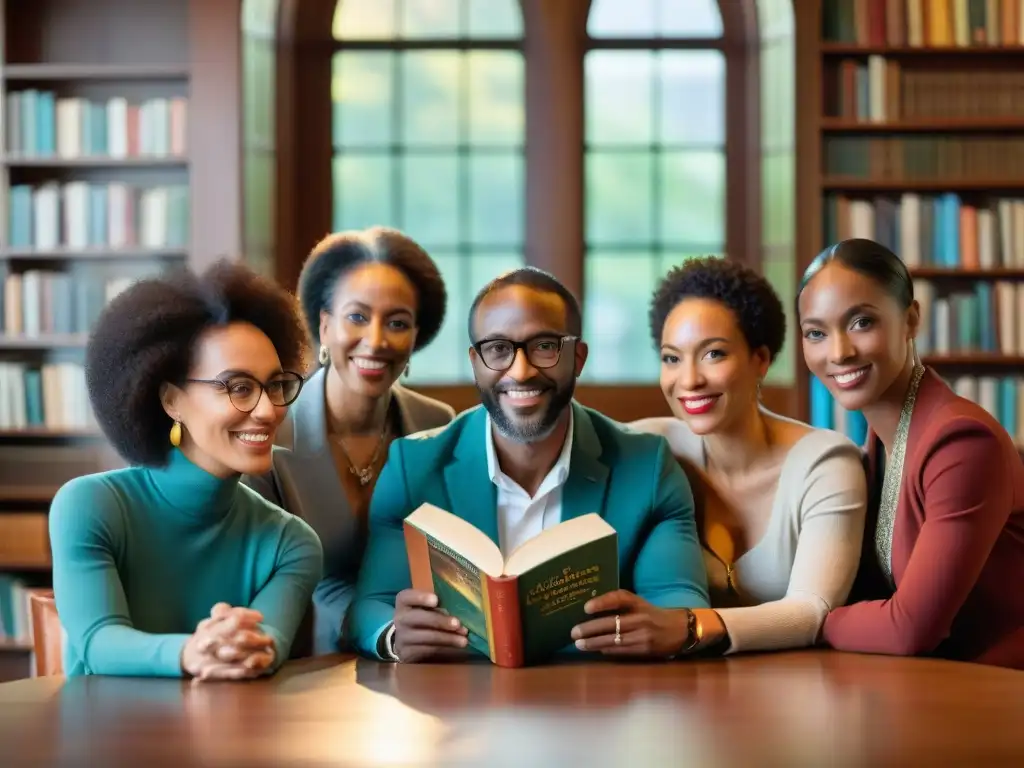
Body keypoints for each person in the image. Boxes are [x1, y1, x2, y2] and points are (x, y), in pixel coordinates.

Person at [348, 267, 710, 663]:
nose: (520, 371)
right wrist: (394, 636)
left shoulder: (648, 467)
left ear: (578, 357)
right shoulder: (411, 467)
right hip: (457, 705)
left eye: (544, 346)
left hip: (601, 702)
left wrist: (664, 627)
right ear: (475, 362)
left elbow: (678, 602)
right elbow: (372, 605)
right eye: (498, 349)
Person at [49, 260, 324, 679]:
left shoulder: (292, 544)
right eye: (239, 387)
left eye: (275, 385)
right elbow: (99, 642)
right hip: (103, 737)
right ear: (171, 400)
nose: (269, 410)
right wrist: (189, 652)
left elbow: (263, 649)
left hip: (230, 738)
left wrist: (242, 647)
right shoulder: (90, 506)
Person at [797, 238, 1024, 669]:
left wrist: (812, 621)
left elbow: (911, 627)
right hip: (933, 684)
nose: (839, 351)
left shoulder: (961, 441)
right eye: (816, 333)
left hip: (1003, 690)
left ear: (911, 319)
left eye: (862, 322)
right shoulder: (874, 449)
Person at [625, 257, 867, 655]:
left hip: (798, 690)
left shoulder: (826, 463)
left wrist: (689, 627)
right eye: (671, 358)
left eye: (713, 354)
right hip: (680, 691)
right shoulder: (649, 446)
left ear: (761, 359)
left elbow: (813, 610)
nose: (688, 380)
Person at [244, 227, 455, 655]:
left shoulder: (436, 424)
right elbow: (264, 579)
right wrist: (377, 627)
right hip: (299, 661)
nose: (376, 341)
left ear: (416, 337)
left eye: (397, 323)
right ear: (324, 325)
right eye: (357, 317)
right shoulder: (270, 429)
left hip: (418, 656)